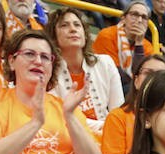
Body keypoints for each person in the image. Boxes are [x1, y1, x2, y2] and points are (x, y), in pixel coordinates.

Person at [47, 7, 124, 140]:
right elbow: (61, 117)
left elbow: (118, 111)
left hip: (109, 135)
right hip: (68, 137)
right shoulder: (47, 69)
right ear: (53, 36)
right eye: (64, 25)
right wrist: (104, 126)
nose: (73, 29)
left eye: (77, 25)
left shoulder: (105, 63)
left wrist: (111, 128)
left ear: (84, 33)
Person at [100, 54, 165, 154]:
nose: (154, 78)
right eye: (148, 73)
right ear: (136, 80)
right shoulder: (118, 117)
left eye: (162, 75)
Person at [92, 1, 154, 81]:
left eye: (144, 17)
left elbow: (143, 76)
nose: (139, 20)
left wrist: (139, 44)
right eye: (134, 14)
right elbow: (114, 74)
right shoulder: (106, 35)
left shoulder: (147, 45)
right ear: (123, 18)